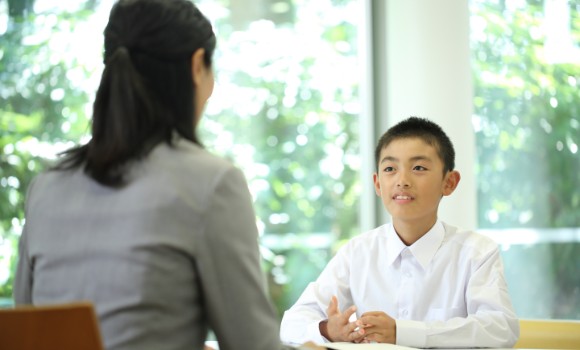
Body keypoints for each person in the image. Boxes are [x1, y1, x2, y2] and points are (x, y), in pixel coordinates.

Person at [13, 1, 323, 350]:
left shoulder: (47, 185)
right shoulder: (211, 182)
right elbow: (251, 344)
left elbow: (29, 328)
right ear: (196, 66)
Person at [280, 117, 520, 348]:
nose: (402, 180)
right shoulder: (357, 253)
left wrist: (403, 332)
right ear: (377, 184)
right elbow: (291, 324)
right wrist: (328, 331)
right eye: (390, 168)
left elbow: (501, 328)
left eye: (418, 167)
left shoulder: (476, 253)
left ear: (449, 182)